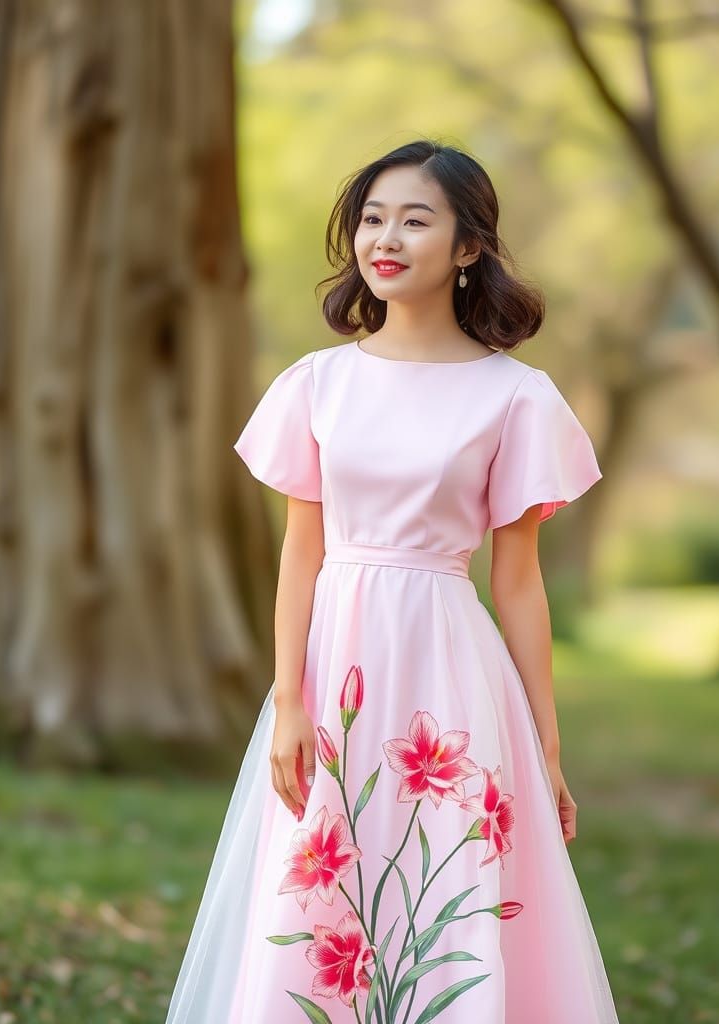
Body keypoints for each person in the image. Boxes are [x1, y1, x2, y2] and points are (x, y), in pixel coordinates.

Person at [165, 139, 620, 1023]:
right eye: (373, 218)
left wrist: (547, 748)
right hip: (337, 662)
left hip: (450, 666)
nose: (387, 237)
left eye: (416, 220)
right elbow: (302, 550)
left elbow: (519, 584)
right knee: (324, 882)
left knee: (441, 877)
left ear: (467, 248)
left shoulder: (516, 398)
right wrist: (288, 698)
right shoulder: (318, 384)